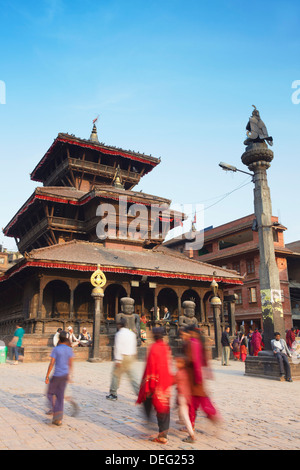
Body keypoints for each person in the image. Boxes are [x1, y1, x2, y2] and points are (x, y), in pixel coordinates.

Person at [136, 327, 173, 444]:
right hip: (165, 381)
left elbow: (151, 365)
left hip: (154, 381)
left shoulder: (154, 348)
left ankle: (153, 426)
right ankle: (163, 433)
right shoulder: (166, 347)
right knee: (164, 406)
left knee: (150, 401)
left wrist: (149, 382)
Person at [182, 326, 219, 433]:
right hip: (196, 377)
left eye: (184, 334)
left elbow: (195, 361)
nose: (183, 336)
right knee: (198, 401)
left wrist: (182, 362)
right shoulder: (197, 343)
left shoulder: (193, 343)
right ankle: (211, 415)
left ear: (190, 333)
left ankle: (210, 415)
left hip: (194, 377)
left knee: (196, 402)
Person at [45, 330, 74, 425]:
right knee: (60, 396)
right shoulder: (69, 349)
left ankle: (55, 410)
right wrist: (70, 375)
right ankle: (59, 418)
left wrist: (47, 376)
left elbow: (52, 363)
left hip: (57, 375)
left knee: (50, 393)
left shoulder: (56, 349)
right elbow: (70, 363)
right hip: (65, 375)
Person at [106, 317, 139, 401]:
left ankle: (113, 394)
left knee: (115, 375)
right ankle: (140, 393)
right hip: (130, 357)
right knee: (132, 377)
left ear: (120, 325)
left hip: (122, 357)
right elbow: (134, 345)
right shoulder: (131, 334)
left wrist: (118, 360)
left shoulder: (119, 334)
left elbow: (118, 347)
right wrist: (133, 355)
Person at [173, 355, 195, 443]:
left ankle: (191, 435)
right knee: (185, 415)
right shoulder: (187, 373)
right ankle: (191, 433)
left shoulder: (179, 373)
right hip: (187, 397)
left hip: (182, 397)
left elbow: (172, 381)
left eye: (178, 362)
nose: (176, 364)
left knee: (185, 417)